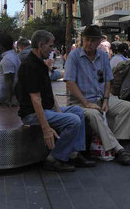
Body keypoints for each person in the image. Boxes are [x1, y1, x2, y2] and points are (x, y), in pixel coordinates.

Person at [18, 30, 95, 172]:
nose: (53, 49)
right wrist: (46, 128)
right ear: (41, 45)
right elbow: (35, 100)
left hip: (48, 109)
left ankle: (74, 153)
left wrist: (59, 112)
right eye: (50, 46)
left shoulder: (40, 64)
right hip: (32, 114)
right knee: (73, 120)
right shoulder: (30, 65)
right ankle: (54, 158)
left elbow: (48, 94)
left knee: (77, 111)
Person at [65, 25, 130, 166]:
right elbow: (70, 83)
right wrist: (86, 103)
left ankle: (113, 145)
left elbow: (108, 79)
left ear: (98, 42)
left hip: (101, 98)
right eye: (86, 39)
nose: (88, 43)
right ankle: (119, 150)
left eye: (92, 40)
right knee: (94, 114)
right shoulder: (74, 56)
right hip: (80, 103)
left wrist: (107, 99)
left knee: (126, 107)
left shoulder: (102, 55)